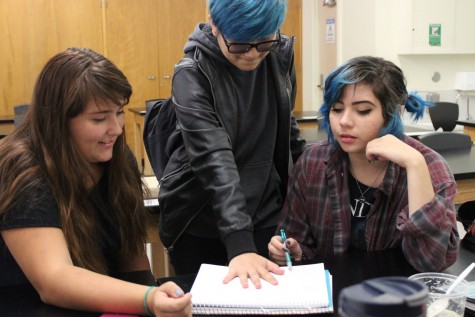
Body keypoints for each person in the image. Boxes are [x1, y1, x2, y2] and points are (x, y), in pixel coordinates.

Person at [0, 48, 191, 316]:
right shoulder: (22, 169)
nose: (116, 128)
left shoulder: (116, 159)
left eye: (119, 112)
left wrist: (157, 300)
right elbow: (53, 280)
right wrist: (149, 299)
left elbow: (132, 261)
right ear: (59, 120)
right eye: (99, 118)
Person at [157, 0, 305, 288]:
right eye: (239, 45)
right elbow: (214, 160)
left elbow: (286, 130)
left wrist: (304, 199)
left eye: (263, 43)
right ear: (214, 24)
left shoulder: (280, 54)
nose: (252, 55)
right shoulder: (192, 72)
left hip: (263, 210)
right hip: (201, 216)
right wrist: (240, 244)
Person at [268, 56, 459, 272]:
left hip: (396, 296)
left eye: (362, 111)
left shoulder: (428, 167)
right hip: (332, 295)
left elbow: (431, 263)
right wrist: (295, 252)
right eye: (337, 109)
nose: (344, 122)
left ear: (393, 113)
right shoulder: (313, 162)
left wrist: (415, 165)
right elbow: (296, 239)